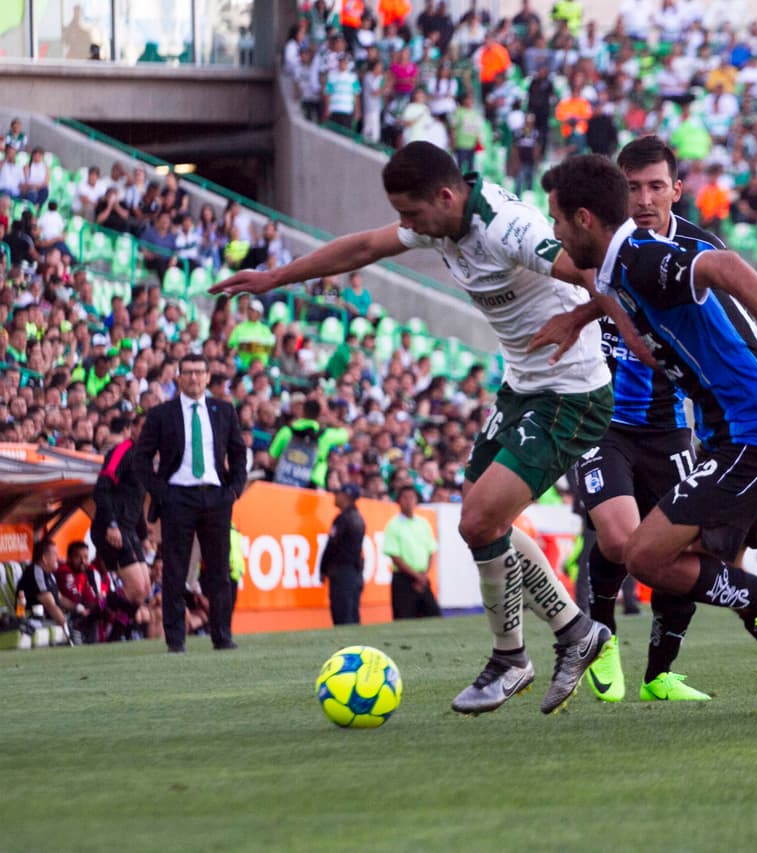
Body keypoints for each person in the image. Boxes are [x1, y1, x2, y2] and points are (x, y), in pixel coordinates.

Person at [211, 141, 641, 715]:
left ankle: (510, 658)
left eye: (411, 214)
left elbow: (595, 269)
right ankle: (575, 632)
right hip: (521, 388)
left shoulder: (505, 227)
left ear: (445, 196)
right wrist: (277, 277)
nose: (404, 226)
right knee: (483, 525)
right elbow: (364, 246)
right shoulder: (442, 224)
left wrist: (585, 319)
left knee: (479, 519)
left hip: (572, 392)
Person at [537, 154, 757, 716]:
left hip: (756, 435)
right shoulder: (620, 262)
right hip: (726, 434)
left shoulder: (640, 256)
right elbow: (623, 304)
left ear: (585, 219)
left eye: (558, 222)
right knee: (700, 569)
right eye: (633, 187)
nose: (555, 234)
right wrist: (581, 318)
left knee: (650, 557)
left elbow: (721, 265)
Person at [551, 137, 731, 703]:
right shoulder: (594, 243)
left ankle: (660, 672)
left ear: (678, 190)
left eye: (657, 186)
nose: (645, 198)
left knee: (684, 552)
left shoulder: (702, 251)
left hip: (672, 426)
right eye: (633, 187)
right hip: (603, 420)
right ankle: (599, 640)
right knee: (618, 537)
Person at [133, 353, 247, 654]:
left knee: (219, 571)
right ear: (179, 377)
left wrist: (234, 489)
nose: (194, 378)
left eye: (199, 372)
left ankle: (222, 635)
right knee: (174, 570)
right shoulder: (161, 414)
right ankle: (176, 640)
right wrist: (160, 491)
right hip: (177, 496)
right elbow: (141, 458)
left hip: (216, 496)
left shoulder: (223, 410)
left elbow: (238, 452)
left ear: (208, 377)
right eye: (188, 372)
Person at [90, 415, 152, 614]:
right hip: (111, 527)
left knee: (144, 590)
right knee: (136, 588)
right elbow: (101, 488)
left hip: (130, 529)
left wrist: (143, 536)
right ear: (132, 429)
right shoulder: (121, 451)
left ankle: (110, 626)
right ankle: (90, 617)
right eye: (143, 427)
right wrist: (111, 524)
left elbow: (137, 501)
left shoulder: (145, 458)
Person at [383, 485, 440, 618]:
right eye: (405, 498)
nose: (408, 501)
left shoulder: (423, 523)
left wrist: (423, 575)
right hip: (404, 579)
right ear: (398, 501)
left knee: (433, 616)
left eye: (412, 497)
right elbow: (395, 556)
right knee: (404, 618)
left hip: (422, 577)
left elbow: (431, 551)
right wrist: (417, 577)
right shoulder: (393, 525)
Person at [269, 398, 349, 489]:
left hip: (283, 482)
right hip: (312, 485)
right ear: (319, 415)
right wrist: (332, 420)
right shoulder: (326, 436)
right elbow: (347, 433)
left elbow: (271, 459)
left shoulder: (286, 431)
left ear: (302, 411)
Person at [320, 483, 367, 625]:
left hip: (343, 573)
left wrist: (322, 569)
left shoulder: (343, 519)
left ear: (347, 497)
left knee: (342, 617)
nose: (335, 496)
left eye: (338, 493)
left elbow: (332, 546)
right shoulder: (358, 517)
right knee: (352, 615)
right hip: (354, 573)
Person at [17, 539, 71, 636]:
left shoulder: (49, 574)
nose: (57, 557)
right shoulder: (36, 573)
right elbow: (50, 605)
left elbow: (60, 598)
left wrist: (80, 609)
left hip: (46, 618)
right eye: (54, 554)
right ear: (44, 558)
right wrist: (66, 626)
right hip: (29, 618)